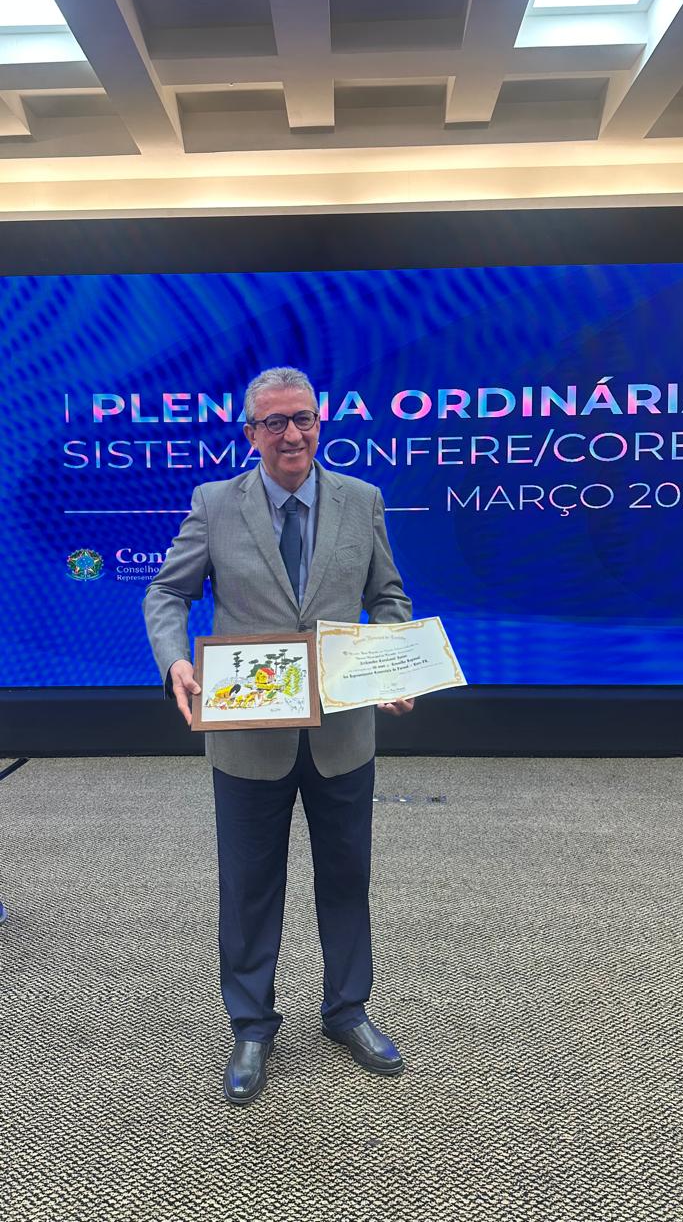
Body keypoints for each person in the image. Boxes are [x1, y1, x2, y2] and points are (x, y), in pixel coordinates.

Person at [143, 367, 414, 1105]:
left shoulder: (361, 499)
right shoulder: (214, 504)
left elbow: (387, 597)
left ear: (319, 423)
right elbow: (167, 591)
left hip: (342, 732)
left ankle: (347, 1010)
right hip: (247, 736)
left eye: (303, 419)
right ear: (251, 432)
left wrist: (392, 661)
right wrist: (174, 659)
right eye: (274, 422)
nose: (291, 434)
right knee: (249, 887)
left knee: (346, 877)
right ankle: (252, 1024)